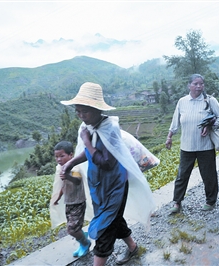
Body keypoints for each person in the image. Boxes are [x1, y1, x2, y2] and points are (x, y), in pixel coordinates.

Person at [60, 82, 156, 266]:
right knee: (113, 218)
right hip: (99, 186)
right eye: (78, 111)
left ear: (96, 109)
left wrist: (86, 141)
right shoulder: (89, 126)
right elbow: (89, 153)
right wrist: (71, 162)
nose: (81, 116)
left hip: (115, 185)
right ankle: (133, 248)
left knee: (104, 227)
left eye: (84, 112)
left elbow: (107, 162)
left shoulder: (109, 129)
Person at [165, 74, 219, 213]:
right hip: (187, 146)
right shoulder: (182, 101)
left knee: (208, 175)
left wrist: (211, 126)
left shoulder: (210, 100)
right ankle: (177, 203)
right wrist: (169, 137)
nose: (199, 86)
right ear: (189, 85)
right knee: (182, 175)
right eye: (195, 84)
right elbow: (175, 122)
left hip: (205, 146)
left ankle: (211, 201)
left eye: (201, 84)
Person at [50, 141, 91, 258]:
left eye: (62, 156)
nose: (58, 159)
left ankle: (85, 243)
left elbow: (78, 181)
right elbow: (63, 186)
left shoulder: (75, 167)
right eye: (56, 157)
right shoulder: (61, 168)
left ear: (71, 155)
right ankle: (83, 238)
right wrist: (57, 198)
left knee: (72, 229)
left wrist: (68, 176)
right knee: (73, 226)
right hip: (69, 202)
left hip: (78, 202)